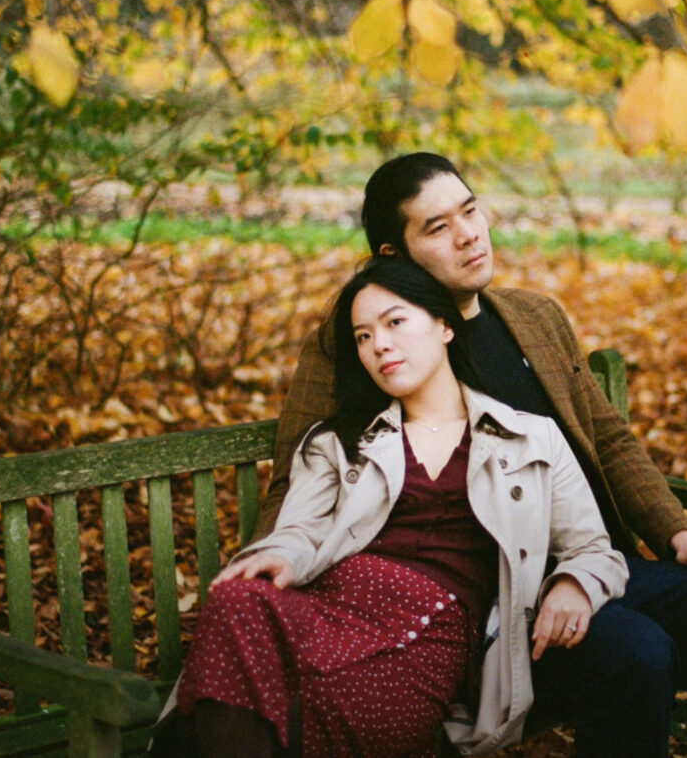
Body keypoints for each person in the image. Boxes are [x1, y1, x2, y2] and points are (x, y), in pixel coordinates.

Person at [256, 152, 687, 757]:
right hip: (502, 604)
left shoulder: (534, 317)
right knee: (636, 653)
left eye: (469, 210)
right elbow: (296, 476)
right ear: (393, 257)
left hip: (605, 566)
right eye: (437, 228)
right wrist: (278, 599)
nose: (469, 234)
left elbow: (608, 436)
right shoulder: (363, 343)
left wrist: (678, 533)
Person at [158, 255, 629, 757]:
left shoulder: (530, 438)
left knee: (269, 716)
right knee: (237, 600)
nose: (379, 345)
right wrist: (284, 555)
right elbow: (298, 530)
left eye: (395, 323)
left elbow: (594, 548)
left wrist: (574, 584)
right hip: (330, 610)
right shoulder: (340, 442)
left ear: (444, 325)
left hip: (430, 636)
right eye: (362, 336)